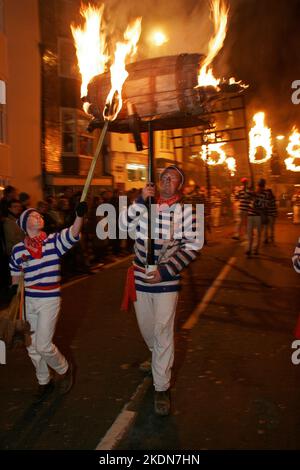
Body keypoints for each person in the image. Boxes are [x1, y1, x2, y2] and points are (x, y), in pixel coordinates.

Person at [121, 165, 202, 416]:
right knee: (147, 329)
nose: (167, 182)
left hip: (166, 280)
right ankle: (156, 357)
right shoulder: (145, 205)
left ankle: (161, 386)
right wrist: (138, 201)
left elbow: (192, 247)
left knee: (163, 330)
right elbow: (122, 226)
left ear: (180, 185)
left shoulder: (186, 212)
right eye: (164, 178)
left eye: (173, 179)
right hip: (140, 278)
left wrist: (165, 271)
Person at [9, 201, 87, 402]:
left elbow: (72, 233)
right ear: (26, 224)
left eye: (40, 215)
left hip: (49, 299)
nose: (39, 217)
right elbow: (15, 279)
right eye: (34, 216)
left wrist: (79, 216)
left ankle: (64, 368)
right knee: (31, 346)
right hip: (29, 301)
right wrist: (14, 300)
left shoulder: (53, 242)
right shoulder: (18, 250)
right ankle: (44, 381)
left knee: (43, 345)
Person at [246, 178, 268, 257]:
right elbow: (247, 196)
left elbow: (264, 206)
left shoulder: (265, 194)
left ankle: (255, 249)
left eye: (261, 186)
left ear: (263, 187)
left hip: (258, 216)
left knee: (258, 234)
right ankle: (248, 249)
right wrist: (249, 188)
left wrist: (256, 201)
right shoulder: (253, 193)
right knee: (249, 234)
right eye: (259, 186)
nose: (259, 187)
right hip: (250, 215)